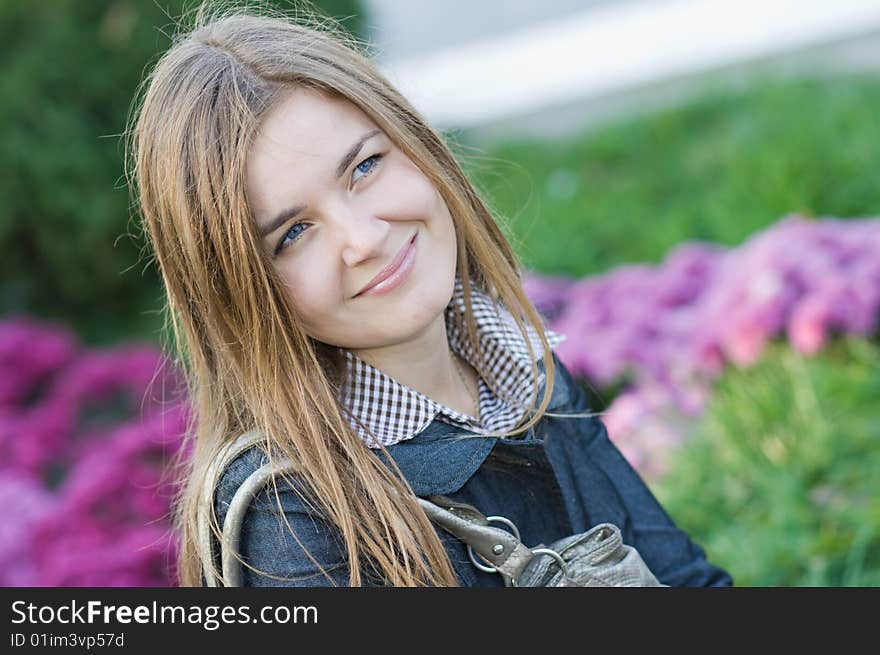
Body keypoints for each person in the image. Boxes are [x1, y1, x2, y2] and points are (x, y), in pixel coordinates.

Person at [129, 3, 733, 587]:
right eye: (294, 233)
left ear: (416, 144)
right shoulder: (293, 522)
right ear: (242, 296)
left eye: (364, 167)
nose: (364, 237)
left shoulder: (514, 362)